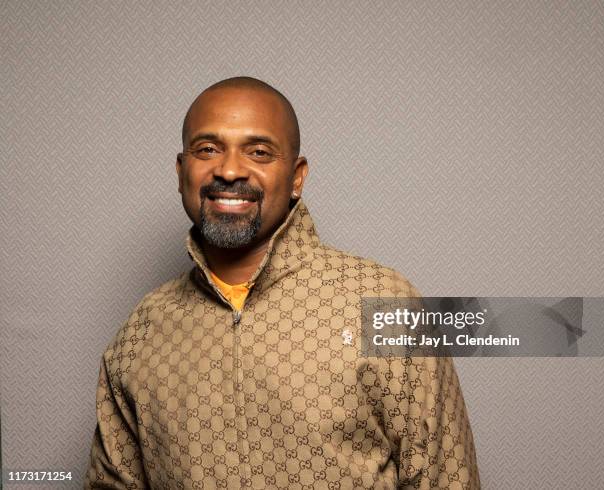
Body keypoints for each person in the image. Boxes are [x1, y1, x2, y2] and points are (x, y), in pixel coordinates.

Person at [84, 76, 480, 489]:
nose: (230, 169)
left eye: (259, 152)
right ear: (182, 171)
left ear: (296, 176)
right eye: (208, 149)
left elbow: (448, 478)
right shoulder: (141, 332)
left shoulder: (386, 305)